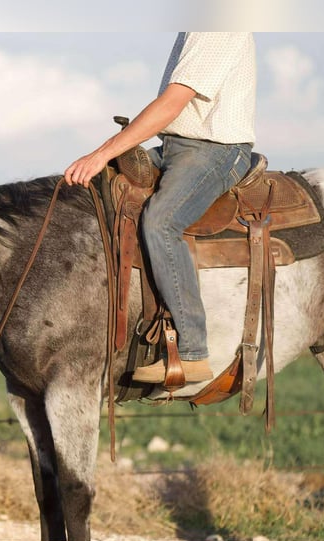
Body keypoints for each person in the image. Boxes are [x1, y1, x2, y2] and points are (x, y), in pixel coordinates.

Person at [64, 32, 256, 383]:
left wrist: (102, 151)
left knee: (160, 222)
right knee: (104, 192)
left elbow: (172, 104)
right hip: (175, 145)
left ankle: (193, 351)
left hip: (216, 149)